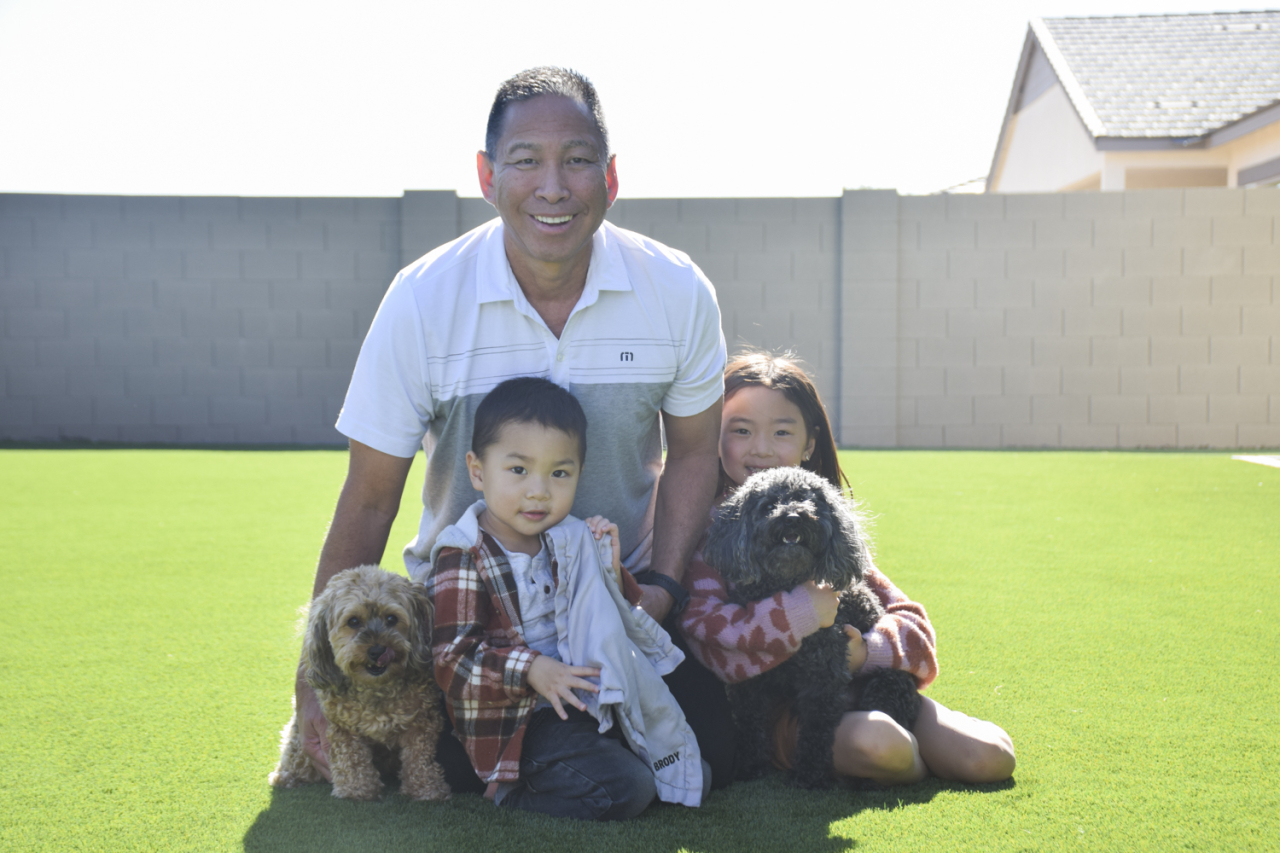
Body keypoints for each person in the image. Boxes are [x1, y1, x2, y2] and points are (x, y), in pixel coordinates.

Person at [295, 67, 725, 789]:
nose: (552, 186)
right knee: (617, 783)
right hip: (473, 621)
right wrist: (311, 676)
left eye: (578, 159)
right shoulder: (422, 299)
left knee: (715, 751)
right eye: (526, 160)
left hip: (615, 607)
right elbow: (369, 497)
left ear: (611, 177)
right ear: (487, 175)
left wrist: (659, 591)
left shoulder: (676, 288)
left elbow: (692, 456)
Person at [679, 351, 1017, 786]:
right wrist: (800, 612)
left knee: (990, 758)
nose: (761, 448)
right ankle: (913, 767)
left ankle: (919, 741)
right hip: (785, 709)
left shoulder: (822, 519)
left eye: (782, 432)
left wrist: (864, 654)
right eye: (741, 431)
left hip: (860, 682)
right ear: (712, 436)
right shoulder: (704, 529)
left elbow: (911, 624)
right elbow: (708, 638)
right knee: (883, 744)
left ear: (809, 444)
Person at [427, 376, 706, 820]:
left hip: (589, 698)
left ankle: (606, 759)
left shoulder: (569, 538)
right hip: (521, 719)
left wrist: (611, 568)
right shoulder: (463, 553)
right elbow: (452, 660)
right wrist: (532, 669)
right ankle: (510, 792)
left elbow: (613, 615)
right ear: (478, 471)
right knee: (628, 789)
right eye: (518, 470)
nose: (539, 490)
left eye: (559, 473)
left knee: (693, 770)